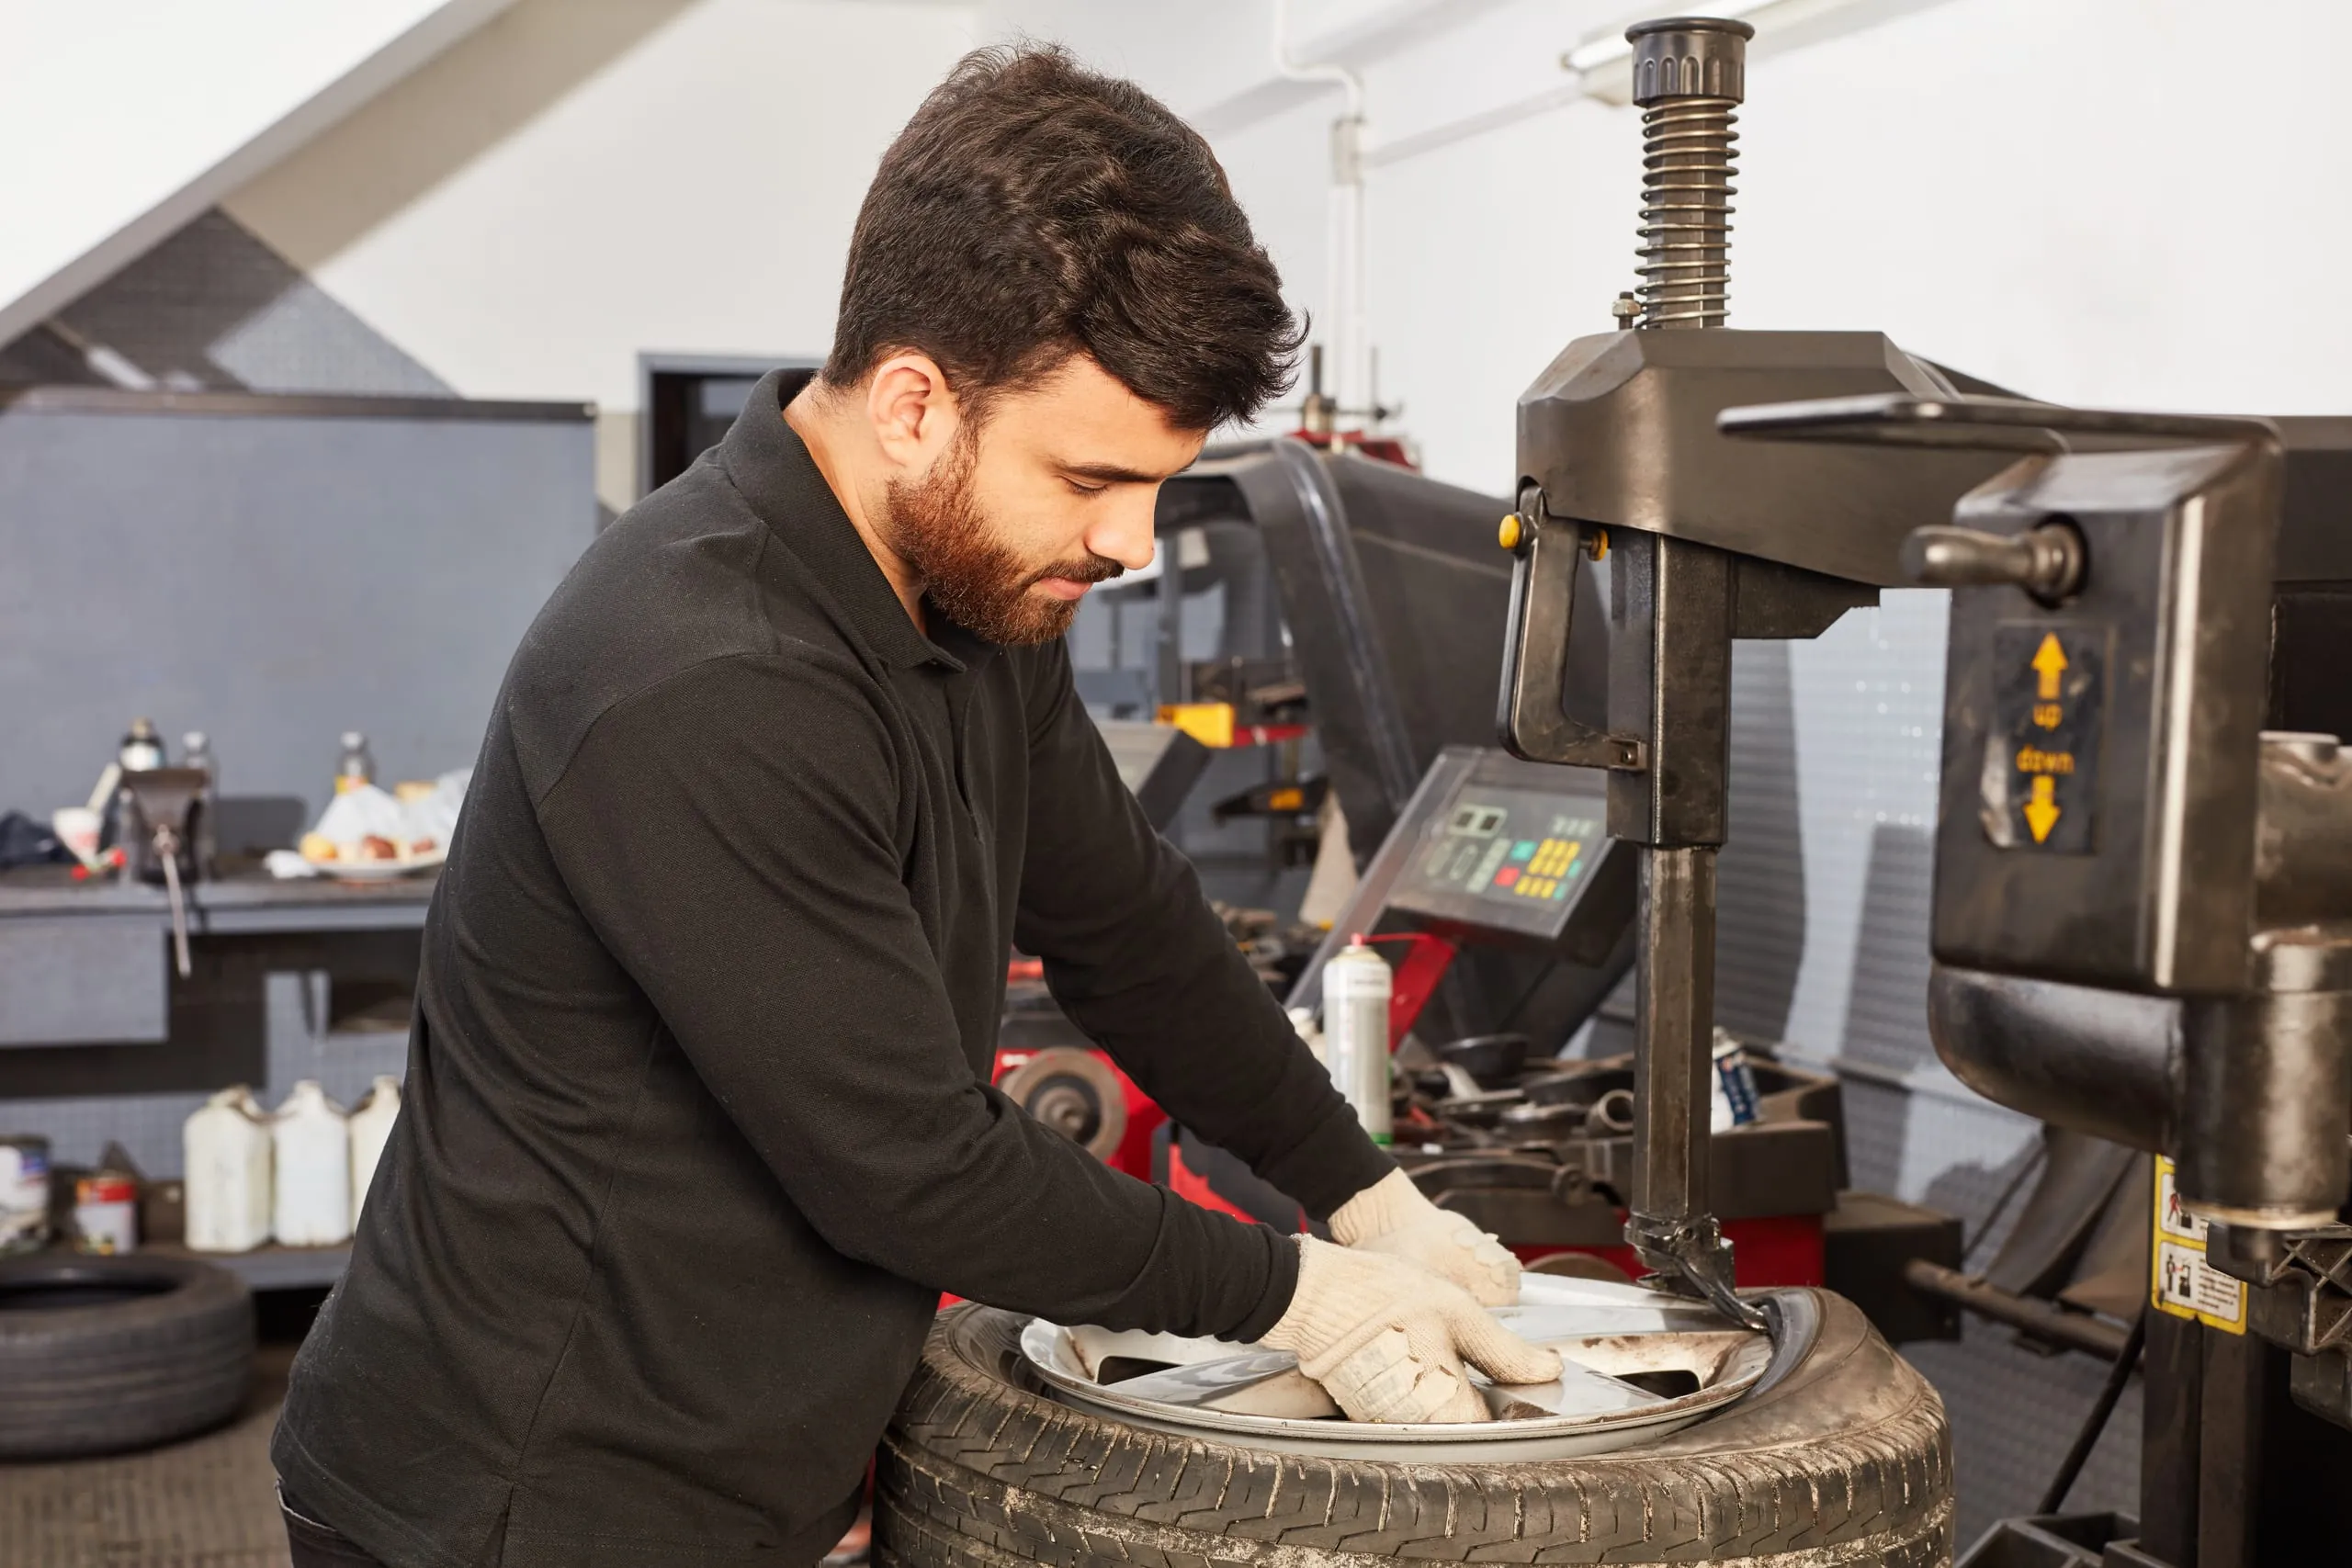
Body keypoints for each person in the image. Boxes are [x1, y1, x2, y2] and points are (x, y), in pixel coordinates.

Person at [270, 45, 1557, 1568]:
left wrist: (1364, 1192)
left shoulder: (975, 597)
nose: (1132, 541)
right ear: (911, 404)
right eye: (1090, 476)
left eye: (1158, 483)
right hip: (524, 1495)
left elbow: (1129, 928)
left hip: (749, 1456)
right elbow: (913, 1166)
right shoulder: (696, 673)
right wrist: (1299, 1294)